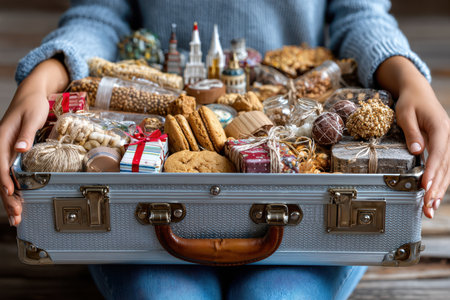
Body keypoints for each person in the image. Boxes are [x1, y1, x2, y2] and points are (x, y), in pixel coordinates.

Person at [1, 0, 448, 299]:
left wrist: (411, 82)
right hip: (142, 212)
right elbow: (100, 15)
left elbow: (359, 15)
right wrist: (43, 77)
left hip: (309, 218)